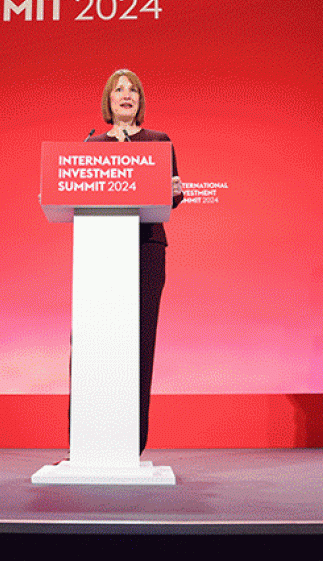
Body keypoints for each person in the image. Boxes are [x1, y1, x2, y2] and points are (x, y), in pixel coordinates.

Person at [85, 68, 182, 453]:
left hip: (145, 249)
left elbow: (172, 196)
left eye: (133, 91)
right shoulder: (90, 147)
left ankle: (132, 441)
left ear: (140, 101)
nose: (126, 96)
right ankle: (92, 439)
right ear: (108, 101)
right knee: (99, 341)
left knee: (140, 343)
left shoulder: (159, 142)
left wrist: (176, 191)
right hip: (102, 253)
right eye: (118, 90)